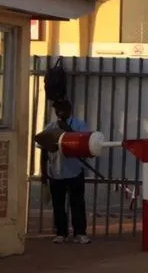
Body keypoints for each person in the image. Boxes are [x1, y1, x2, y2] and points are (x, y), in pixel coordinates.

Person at [39, 99, 91, 244]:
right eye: (57, 109)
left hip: (74, 170)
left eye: (63, 109)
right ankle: (61, 232)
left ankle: (80, 232)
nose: (60, 112)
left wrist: (66, 129)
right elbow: (43, 152)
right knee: (58, 204)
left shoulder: (79, 125)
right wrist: (43, 172)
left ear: (69, 110)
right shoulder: (50, 127)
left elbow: (83, 143)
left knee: (77, 203)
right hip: (55, 172)